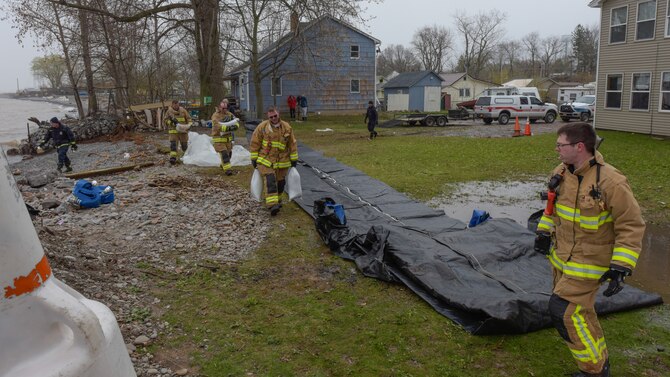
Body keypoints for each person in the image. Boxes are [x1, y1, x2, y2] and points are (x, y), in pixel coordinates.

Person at [534, 122, 645, 377]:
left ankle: (594, 371)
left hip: (591, 261)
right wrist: (542, 231)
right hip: (562, 258)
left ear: (579, 147)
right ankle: (600, 361)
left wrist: (621, 266)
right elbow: (552, 209)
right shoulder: (561, 173)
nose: (556, 149)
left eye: (561, 145)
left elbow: (631, 225)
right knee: (580, 312)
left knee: (564, 311)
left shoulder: (611, 182)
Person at [249, 106, 298, 216]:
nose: (274, 118)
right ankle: (272, 205)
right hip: (266, 160)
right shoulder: (262, 127)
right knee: (270, 180)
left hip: (282, 161)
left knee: (280, 183)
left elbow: (292, 144)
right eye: (271, 117)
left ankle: (278, 200)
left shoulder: (286, 127)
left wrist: (294, 159)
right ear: (268, 116)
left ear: (278, 114)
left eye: (275, 116)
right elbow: (255, 142)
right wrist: (253, 158)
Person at [211, 99, 238, 176]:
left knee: (229, 154)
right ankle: (228, 170)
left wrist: (235, 127)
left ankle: (223, 165)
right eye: (223, 108)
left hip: (227, 139)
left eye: (226, 108)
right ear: (219, 107)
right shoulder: (215, 115)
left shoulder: (229, 114)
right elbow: (217, 125)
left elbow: (236, 121)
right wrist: (227, 128)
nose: (225, 110)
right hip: (219, 139)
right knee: (224, 154)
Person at [164, 100, 192, 164]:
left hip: (183, 131)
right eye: (175, 105)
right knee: (173, 145)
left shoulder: (183, 110)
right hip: (173, 131)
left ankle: (185, 156)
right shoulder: (169, 112)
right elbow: (165, 120)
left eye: (177, 104)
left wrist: (189, 124)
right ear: (172, 105)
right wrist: (171, 123)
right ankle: (173, 158)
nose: (176, 106)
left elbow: (188, 118)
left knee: (184, 145)